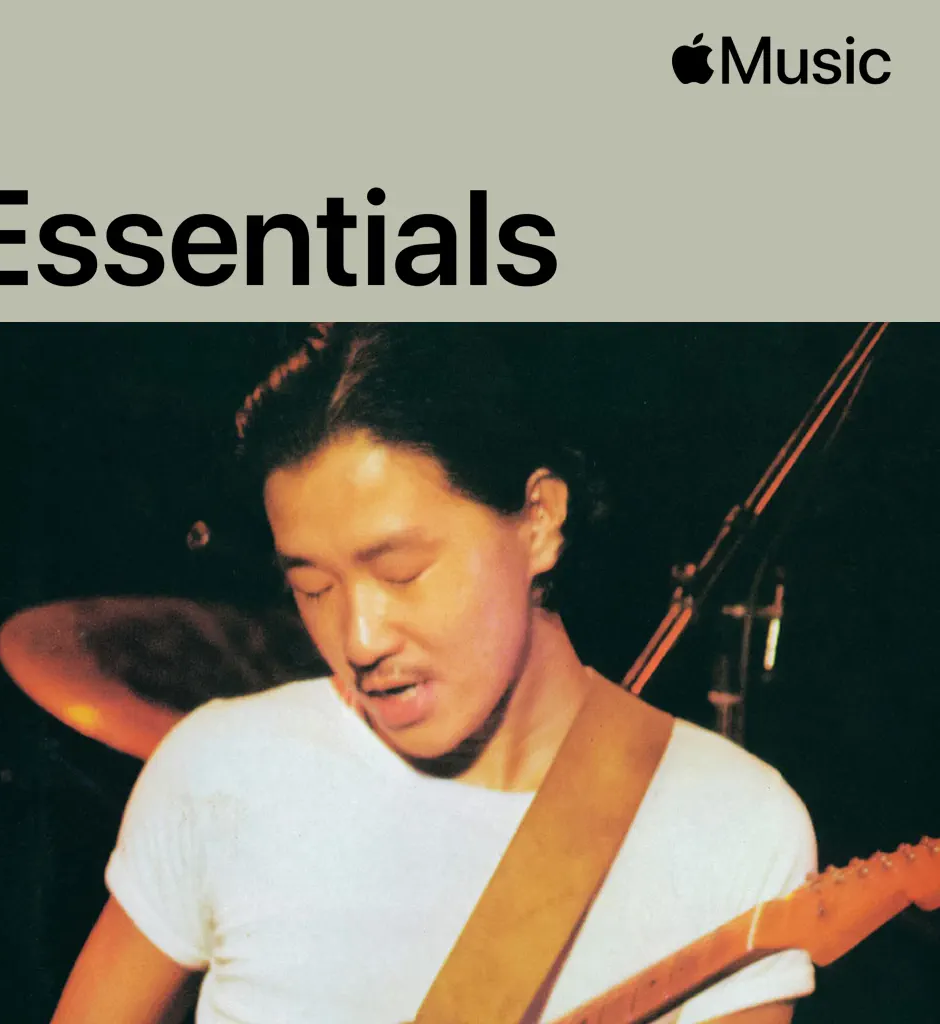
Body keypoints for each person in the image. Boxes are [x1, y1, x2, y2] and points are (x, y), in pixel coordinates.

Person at [51, 324, 817, 1024]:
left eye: (402, 572)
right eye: (312, 587)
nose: (359, 638)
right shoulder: (222, 771)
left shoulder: (729, 826)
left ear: (539, 520)